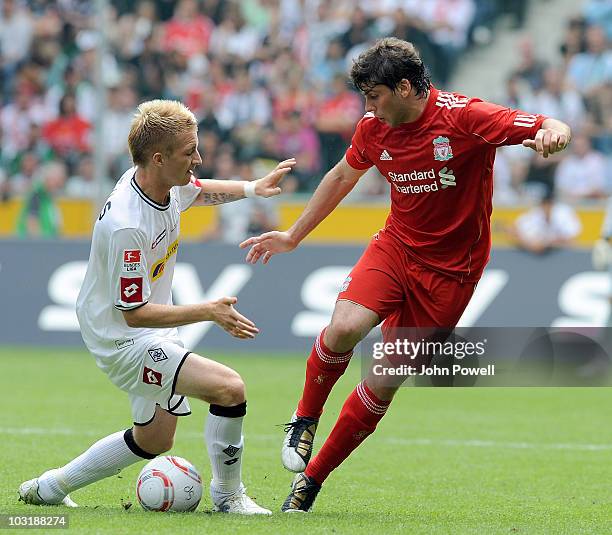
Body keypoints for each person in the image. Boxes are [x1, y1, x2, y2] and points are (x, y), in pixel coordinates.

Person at [240, 37, 571, 512]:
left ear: (403, 87)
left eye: (374, 96)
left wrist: (553, 134)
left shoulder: (465, 117)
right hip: (396, 247)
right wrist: (292, 235)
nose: (367, 107)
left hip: (453, 273)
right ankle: (304, 418)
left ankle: (311, 481)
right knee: (345, 327)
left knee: (384, 377)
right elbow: (339, 178)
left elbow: (546, 123)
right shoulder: (374, 129)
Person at [18, 99, 295, 515]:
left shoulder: (157, 179)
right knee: (229, 388)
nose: (198, 159)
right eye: (190, 153)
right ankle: (228, 496)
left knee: (154, 440)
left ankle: (51, 487)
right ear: (159, 157)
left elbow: (197, 192)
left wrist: (254, 187)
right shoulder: (128, 225)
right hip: (123, 338)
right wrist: (208, 311)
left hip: (144, 326)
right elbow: (135, 314)